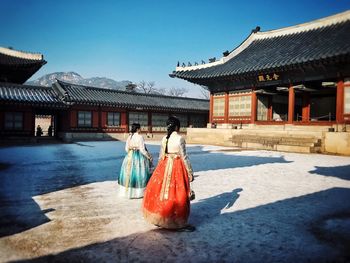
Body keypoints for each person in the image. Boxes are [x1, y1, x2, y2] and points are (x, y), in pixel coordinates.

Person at [142, 116, 195, 231]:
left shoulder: (164, 138)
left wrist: (158, 170)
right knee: (177, 193)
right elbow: (184, 157)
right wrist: (190, 172)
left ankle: (160, 216)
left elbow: (161, 156)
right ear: (177, 126)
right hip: (177, 166)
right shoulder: (180, 139)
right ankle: (176, 221)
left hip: (164, 165)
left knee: (161, 191)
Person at [118, 123, 153, 199]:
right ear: (137, 129)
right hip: (138, 156)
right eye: (140, 128)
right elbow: (142, 150)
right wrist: (149, 156)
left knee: (129, 173)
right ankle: (138, 193)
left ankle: (127, 191)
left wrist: (131, 151)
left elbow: (126, 149)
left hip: (130, 156)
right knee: (139, 172)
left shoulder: (129, 137)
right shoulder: (140, 137)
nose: (140, 130)